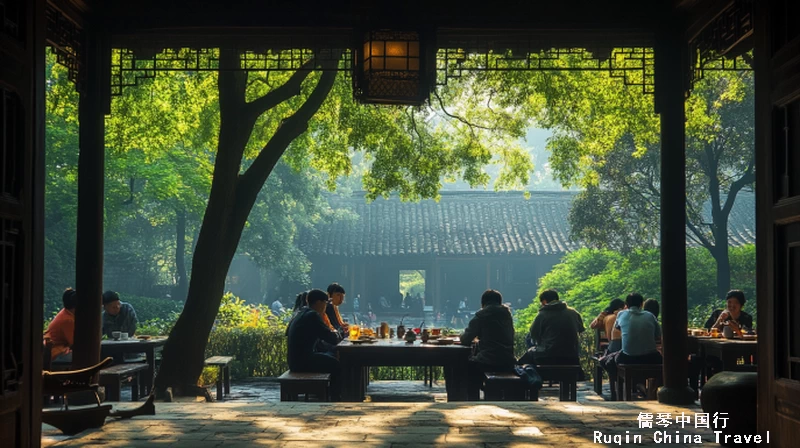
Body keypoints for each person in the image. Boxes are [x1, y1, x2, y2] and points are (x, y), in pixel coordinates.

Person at [286, 289, 342, 400]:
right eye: (325, 303)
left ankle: (330, 393)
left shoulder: (301, 313)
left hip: (294, 360)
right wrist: (336, 332)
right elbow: (332, 338)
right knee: (336, 365)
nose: (326, 307)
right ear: (319, 303)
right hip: (303, 361)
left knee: (331, 355)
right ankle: (335, 397)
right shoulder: (312, 316)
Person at [460, 290, 516, 400]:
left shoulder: (482, 315)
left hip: (488, 361)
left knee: (464, 366)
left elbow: (465, 339)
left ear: (483, 303)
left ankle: (472, 400)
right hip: (508, 360)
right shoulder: (507, 315)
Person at [602, 293, 662, 380]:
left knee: (609, 360)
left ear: (626, 304)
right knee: (663, 361)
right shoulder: (650, 316)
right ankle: (653, 387)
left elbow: (618, 328)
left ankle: (622, 384)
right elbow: (658, 335)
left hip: (628, 358)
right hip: (651, 357)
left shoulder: (621, 314)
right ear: (641, 304)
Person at [524, 289, 585, 366]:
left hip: (547, 355)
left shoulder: (542, 314)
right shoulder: (573, 313)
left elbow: (534, 334)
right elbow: (580, 330)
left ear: (544, 301)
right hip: (572, 354)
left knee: (528, 337)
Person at [44, 288, 77, 362]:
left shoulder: (66, 312)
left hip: (56, 348)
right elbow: (75, 343)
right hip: (55, 352)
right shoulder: (68, 320)